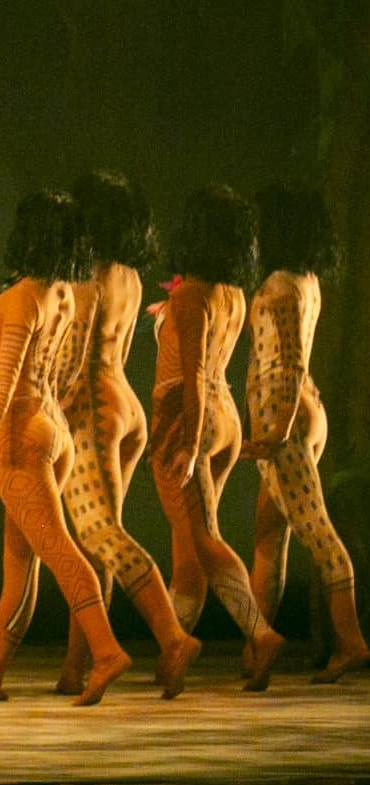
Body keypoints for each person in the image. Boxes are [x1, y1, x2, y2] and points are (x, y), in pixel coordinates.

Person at [0, 191, 133, 705]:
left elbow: (4, 388)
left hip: (20, 436)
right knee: (19, 563)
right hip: (52, 428)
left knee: (57, 550)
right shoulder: (63, 297)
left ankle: (107, 650)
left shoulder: (25, 298)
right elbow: (64, 372)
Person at [53, 172, 200, 697]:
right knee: (99, 542)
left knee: (100, 536)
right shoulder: (132, 276)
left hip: (93, 404)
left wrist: (47, 413)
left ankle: (171, 636)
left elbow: (73, 359)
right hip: (125, 403)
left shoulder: (85, 276)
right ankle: (77, 665)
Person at [150, 186, 288, 690]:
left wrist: (186, 441)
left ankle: (261, 634)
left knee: (204, 539)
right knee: (188, 552)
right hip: (224, 417)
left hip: (193, 421)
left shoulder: (192, 296)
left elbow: (191, 376)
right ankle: (173, 654)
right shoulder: (229, 294)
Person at [245, 184, 369, 683]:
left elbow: (292, 364)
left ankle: (352, 640)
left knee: (317, 531)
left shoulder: (281, 284)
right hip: (297, 412)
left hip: (285, 414)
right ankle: (257, 652)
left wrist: (276, 430)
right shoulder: (307, 280)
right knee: (269, 538)